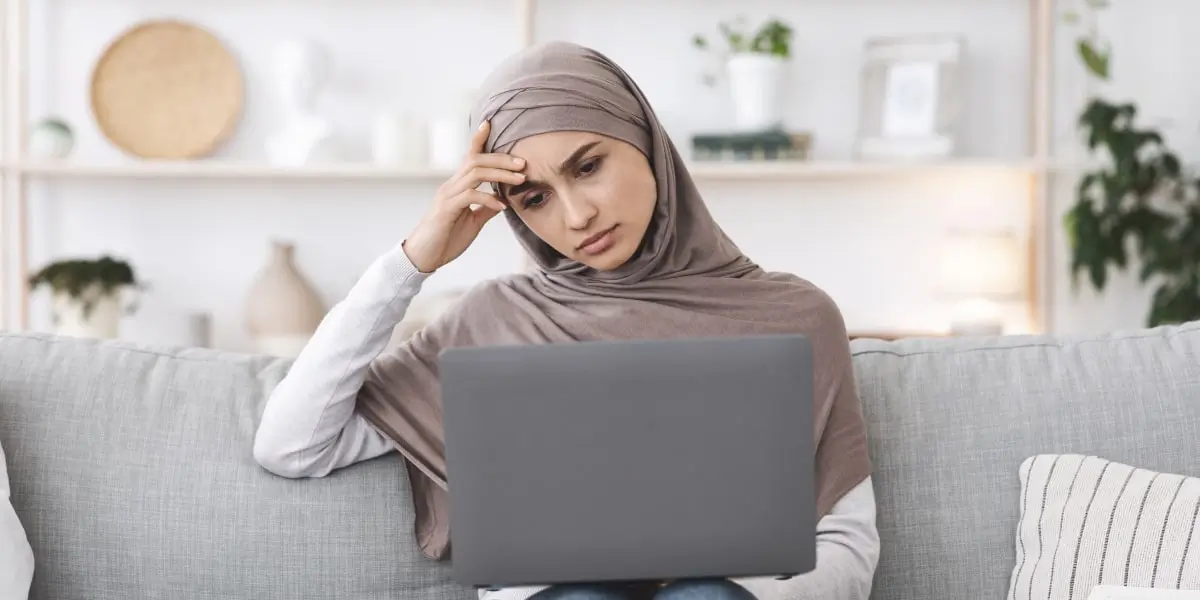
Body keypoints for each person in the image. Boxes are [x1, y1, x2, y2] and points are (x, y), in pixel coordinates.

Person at [253, 41, 879, 600]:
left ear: (645, 140)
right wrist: (413, 260)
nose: (577, 216)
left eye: (587, 167)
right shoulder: (491, 321)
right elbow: (292, 444)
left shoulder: (795, 316)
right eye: (535, 198)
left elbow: (847, 547)